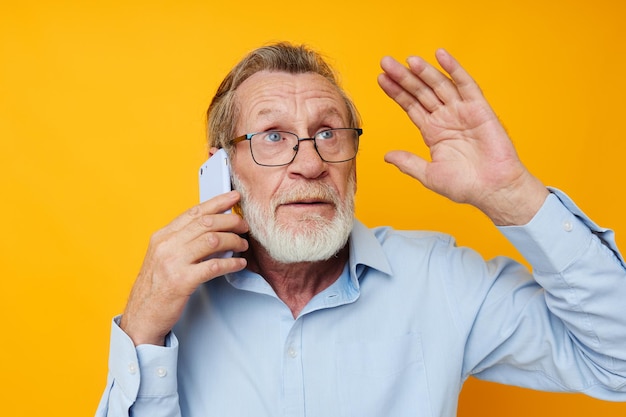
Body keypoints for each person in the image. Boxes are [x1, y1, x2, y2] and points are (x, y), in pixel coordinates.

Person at [95, 42, 626, 417]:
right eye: (274, 137)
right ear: (221, 169)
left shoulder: (442, 278)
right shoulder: (173, 305)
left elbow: (616, 364)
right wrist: (142, 332)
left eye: (328, 132)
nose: (309, 163)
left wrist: (513, 195)